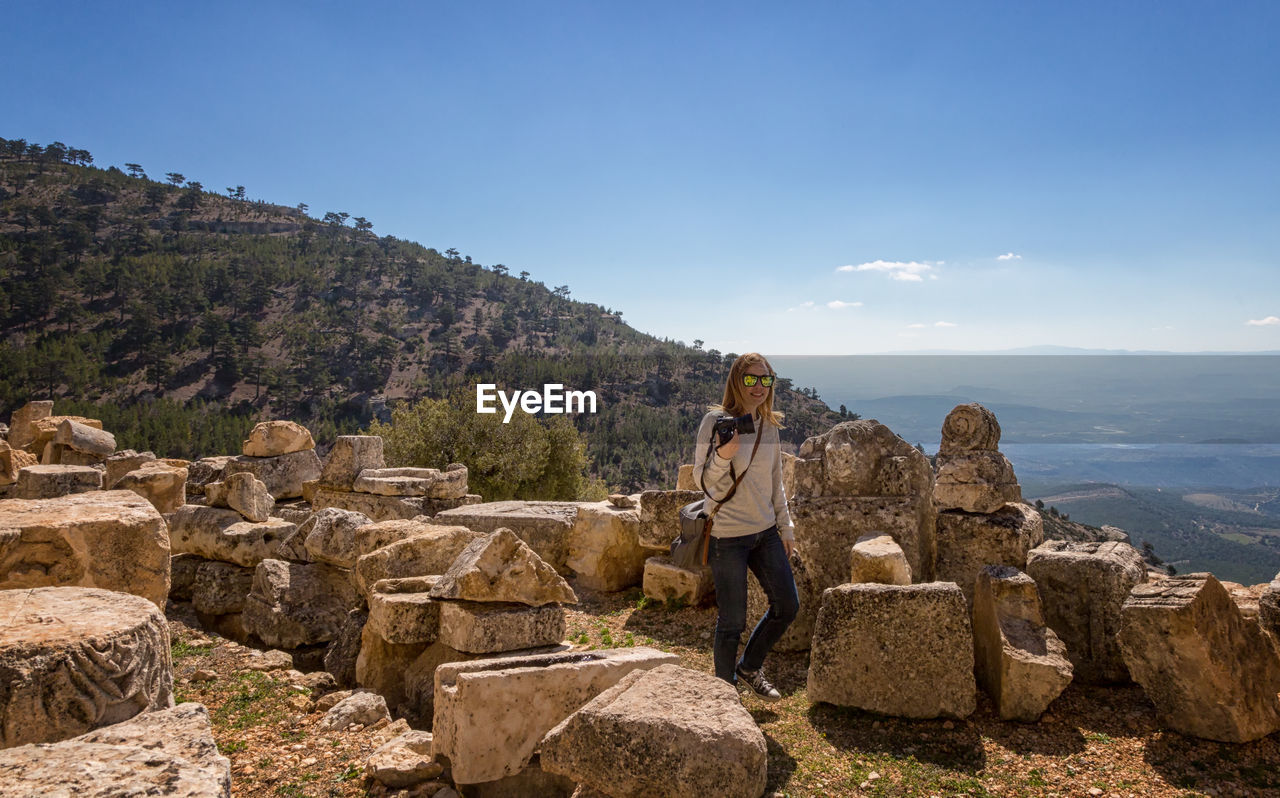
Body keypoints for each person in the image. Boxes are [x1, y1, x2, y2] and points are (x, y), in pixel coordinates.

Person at [693, 352, 798, 701]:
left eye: (765, 379)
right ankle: (726, 695)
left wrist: (786, 527)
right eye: (751, 379)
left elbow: (776, 481)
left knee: (787, 606)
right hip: (726, 536)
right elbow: (703, 483)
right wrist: (724, 456)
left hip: (765, 531)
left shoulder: (768, 425)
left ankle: (749, 667)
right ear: (737, 381)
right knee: (732, 620)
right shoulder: (715, 422)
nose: (759, 387)